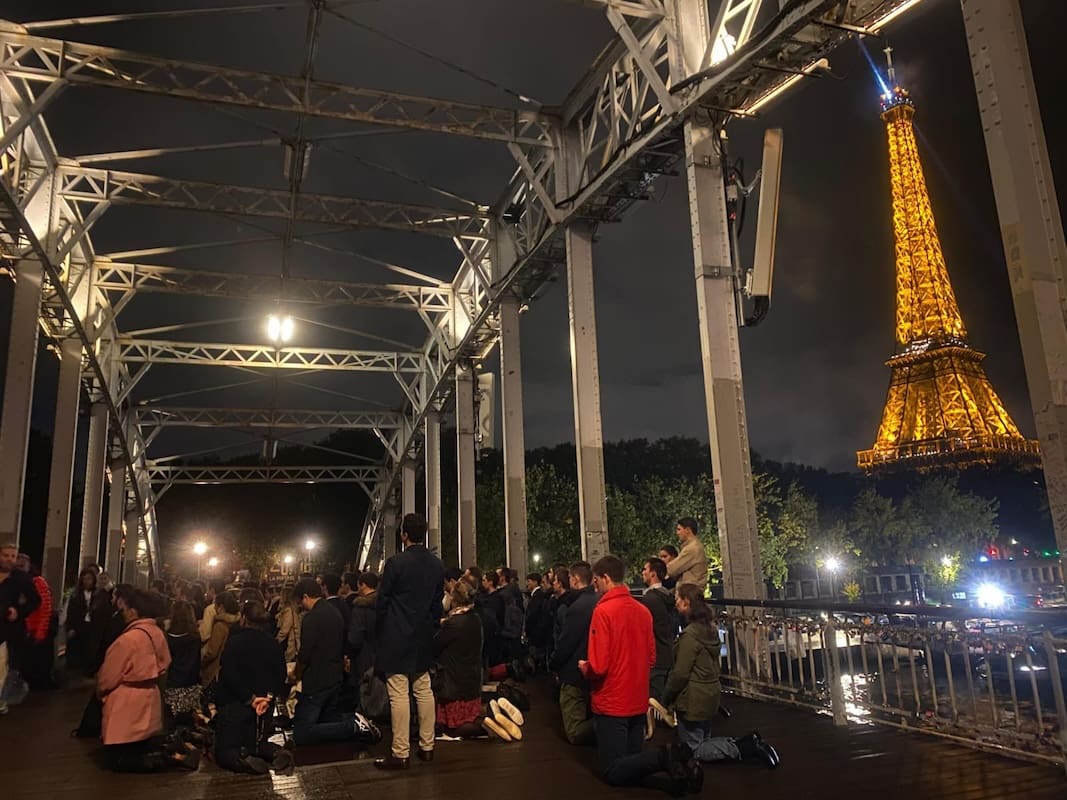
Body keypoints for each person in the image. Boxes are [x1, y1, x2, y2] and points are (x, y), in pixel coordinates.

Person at [579, 555, 701, 796]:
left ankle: (664, 756)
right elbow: (651, 657)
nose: (595, 586)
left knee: (612, 771)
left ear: (606, 578)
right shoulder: (642, 611)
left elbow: (599, 666)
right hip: (637, 697)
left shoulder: (603, 611)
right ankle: (673, 782)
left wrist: (585, 667)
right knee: (631, 766)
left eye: (596, 581)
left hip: (612, 700)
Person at [665, 585, 780, 768]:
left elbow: (680, 673)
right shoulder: (709, 630)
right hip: (709, 693)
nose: (676, 602)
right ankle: (746, 742)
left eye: (678, 598)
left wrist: (667, 696)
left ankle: (743, 747)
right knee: (703, 738)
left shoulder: (690, 636)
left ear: (687, 602)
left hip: (692, 698)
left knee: (694, 749)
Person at [96, 588, 198, 772]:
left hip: (125, 701)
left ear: (133, 611)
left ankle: (167, 758)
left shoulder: (127, 639)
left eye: (125, 609)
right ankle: (171, 751)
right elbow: (165, 661)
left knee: (118, 757)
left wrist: (101, 691)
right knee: (139, 746)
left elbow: (108, 676)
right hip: (149, 695)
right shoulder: (157, 633)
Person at [374, 513, 444, 770]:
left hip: (396, 634)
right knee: (424, 690)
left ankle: (400, 752)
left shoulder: (396, 563)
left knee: (399, 693)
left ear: (404, 535)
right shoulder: (436, 565)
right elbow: (437, 603)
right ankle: (427, 747)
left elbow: (382, 601)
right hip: (423, 634)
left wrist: (381, 628)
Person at [214, 600, 294, 775]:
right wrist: (268, 698)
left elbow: (228, 674)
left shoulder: (235, 642)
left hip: (236, 704)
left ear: (243, 618)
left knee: (225, 750)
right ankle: (275, 753)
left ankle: (242, 759)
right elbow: (280, 675)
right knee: (258, 743)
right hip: (264, 707)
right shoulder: (273, 643)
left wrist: (250, 699)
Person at [290, 577, 354, 745]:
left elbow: (305, 653)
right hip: (335, 676)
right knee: (328, 723)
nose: (301, 605)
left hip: (316, 679)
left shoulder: (311, 618)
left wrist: (296, 674)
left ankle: (351, 726)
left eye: (300, 601)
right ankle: (348, 726)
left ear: (305, 597)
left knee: (301, 732)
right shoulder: (335, 612)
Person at [548, 561, 597, 745]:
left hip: (573, 671)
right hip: (592, 668)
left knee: (574, 730)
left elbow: (566, 642)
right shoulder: (597, 601)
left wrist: (554, 663)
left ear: (575, 579)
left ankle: (610, 725)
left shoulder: (577, 607)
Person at [433, 580, 483, 739]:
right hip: (471, 677)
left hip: (454, 679)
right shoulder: (475, 618)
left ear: (454, 600)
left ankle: (482, 727)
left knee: (455, 726)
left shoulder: (453, 623)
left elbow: (435, 644)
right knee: (468, 718)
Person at [0, 542, 40, 715]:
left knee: (6, 667)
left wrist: (19, 611)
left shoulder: (21, 578)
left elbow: (35, 601)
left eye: (13, 556)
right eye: (6, 555)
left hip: (10, 630)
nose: (10, 559)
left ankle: (2, 699)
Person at [641, 557, 677, 721]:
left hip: (655, 654)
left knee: (655, 701)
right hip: (667, 652)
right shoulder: (668, 597)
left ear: (653, 574)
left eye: (645, 569)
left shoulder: (650, 600)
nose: (642, 572)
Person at [16, 554, 54, 689]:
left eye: (22, 565)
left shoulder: (37, 582)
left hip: (32, 631)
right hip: (19, 630)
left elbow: (45, 609)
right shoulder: (12, 581)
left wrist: (40, 633)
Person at [66, 568, 109, 677]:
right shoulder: (76, 595)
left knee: (91, 651)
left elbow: (104, 613)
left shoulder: (100, 594)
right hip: (79, 627)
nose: (86, 581)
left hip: (93, 627)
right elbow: (71, 612)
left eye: (89, 579)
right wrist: (70, 628)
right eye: (84, 579)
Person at [164, 601, 202, 726]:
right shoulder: (195, 637)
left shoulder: (168, 637)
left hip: (172, 683)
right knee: (187, 720)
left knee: (171, 720)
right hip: (191, 684)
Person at [347, 572, 379, 704]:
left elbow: (355, 637)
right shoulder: (384, 603)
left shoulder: (361, 606)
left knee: (362, 693)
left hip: (363, 656)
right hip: (381, 653)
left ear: (363, 585)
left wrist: (349, 654)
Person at [201, 591, 239, 687]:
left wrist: (202, 661)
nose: (214, 608)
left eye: (215, 605)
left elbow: (212, 652)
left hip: (215, 670)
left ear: (221, 607)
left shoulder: (220, 626)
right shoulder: (237, 622)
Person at [666, 519, 708, 591]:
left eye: (679, 529)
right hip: (691, 591)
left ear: (688, 530)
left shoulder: (692, 548)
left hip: (690, 593)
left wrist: (657, 569)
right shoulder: (693, 546)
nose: (677, 533)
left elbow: (672, 569)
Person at [524, 572, 551, 668]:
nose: (527, 584)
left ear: (535, 582)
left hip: (536, 634)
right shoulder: (537, 595)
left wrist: (528, 631)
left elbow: (532, 616)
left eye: (529, 581)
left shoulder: (537, 596)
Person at [275, 585, 302, 663]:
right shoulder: (293, 609)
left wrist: (276, 640)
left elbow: (285, 630)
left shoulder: (288, 611)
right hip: (290, 643)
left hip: (288, 644)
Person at [199, 579, 226, 643]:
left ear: (212, 590)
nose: (206, 593)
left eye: (207, 590)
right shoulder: (226, 605)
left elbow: (205, 635)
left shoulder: (210, 609)